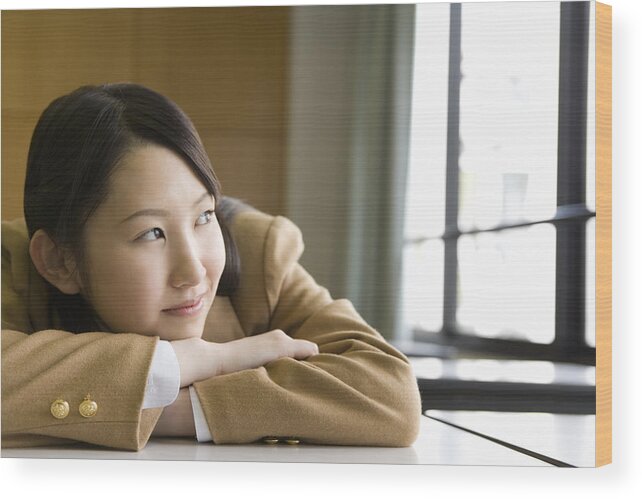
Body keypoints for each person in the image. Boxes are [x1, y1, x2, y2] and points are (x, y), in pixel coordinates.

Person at [1, 83, 421, 451]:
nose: (194, 271)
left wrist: (171, 410)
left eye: (204, 217)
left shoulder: (258, 255)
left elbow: (389, 394)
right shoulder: (12, 264)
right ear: (59, 261)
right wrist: (209, 360)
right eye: (152, 233)